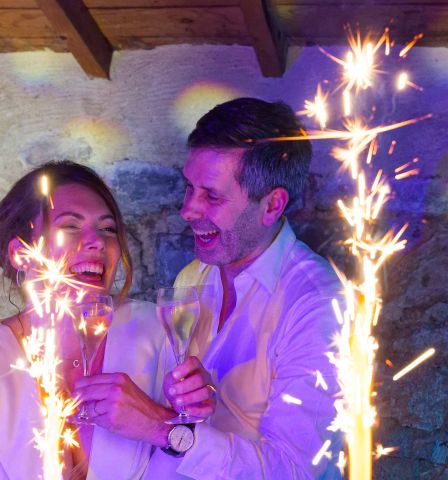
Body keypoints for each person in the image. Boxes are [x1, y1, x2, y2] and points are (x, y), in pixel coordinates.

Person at [0, 161, 189, 479]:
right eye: (70, 226)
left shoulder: (159, 338)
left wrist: (166, 428)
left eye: (108, 228)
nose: (97, 241)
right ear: (21, 254)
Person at [143, 98, 342, 479]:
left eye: (212, 196)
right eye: (190, 188)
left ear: (272, 205)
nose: (188, 210)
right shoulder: (193, 277)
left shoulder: (318, 304)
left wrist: (158, 427)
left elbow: (296, 470)